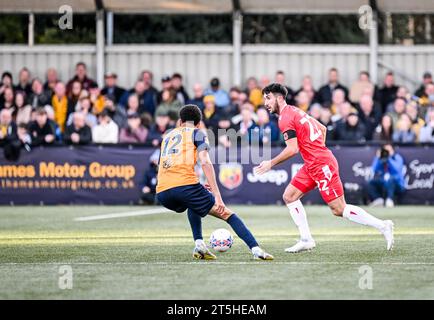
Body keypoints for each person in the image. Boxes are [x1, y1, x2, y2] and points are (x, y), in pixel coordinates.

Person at [256, 83, 394, 253]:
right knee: (289, 196)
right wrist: (315, 150)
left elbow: (292, 149)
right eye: (264, 99)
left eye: (268, 98)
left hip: (321, 164)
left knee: (338, 209)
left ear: (280, 98)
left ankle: (383, 226)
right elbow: (321, 128)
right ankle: (306, 239)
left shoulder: (285, 117)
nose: (266, 103)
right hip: (313, 164)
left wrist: (270, 163)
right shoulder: (295, 110)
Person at [156, 104, 273, 260]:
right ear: (198, 124)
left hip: (162, 192)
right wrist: (217, 195)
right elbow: (205, 161)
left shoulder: (168, 136)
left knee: (193, 204)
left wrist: (195, 187)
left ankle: (199, 245)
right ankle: (256, 250)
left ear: (180, 121)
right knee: (228, 214)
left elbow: (163, 164)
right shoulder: (198, 133)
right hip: (184, 186)